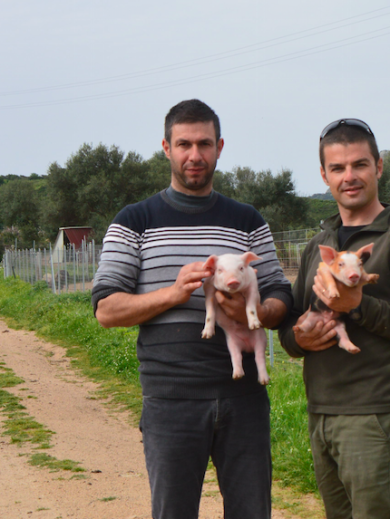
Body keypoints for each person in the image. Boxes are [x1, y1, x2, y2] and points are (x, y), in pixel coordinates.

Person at [91, 99, 293, 519]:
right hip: (171, 400)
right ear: (166, 148)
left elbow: (280, 295)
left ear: (220, 147)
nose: (194, 155)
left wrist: (251, 313)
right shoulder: (134, 221)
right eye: (183, 144)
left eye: (204, 143)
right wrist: (173, 293)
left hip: (245, 399)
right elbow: (107, 309)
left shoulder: (247, 220)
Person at [278, 118, 390, 518]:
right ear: (324, 175)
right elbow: (291, 326)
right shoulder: (318, 246)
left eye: (359, 165)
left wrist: (356, 305)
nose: (349, 177)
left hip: (375, 413)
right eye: (337, 168)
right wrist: (297, 340)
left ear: (379, 167)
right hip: (321, 409)